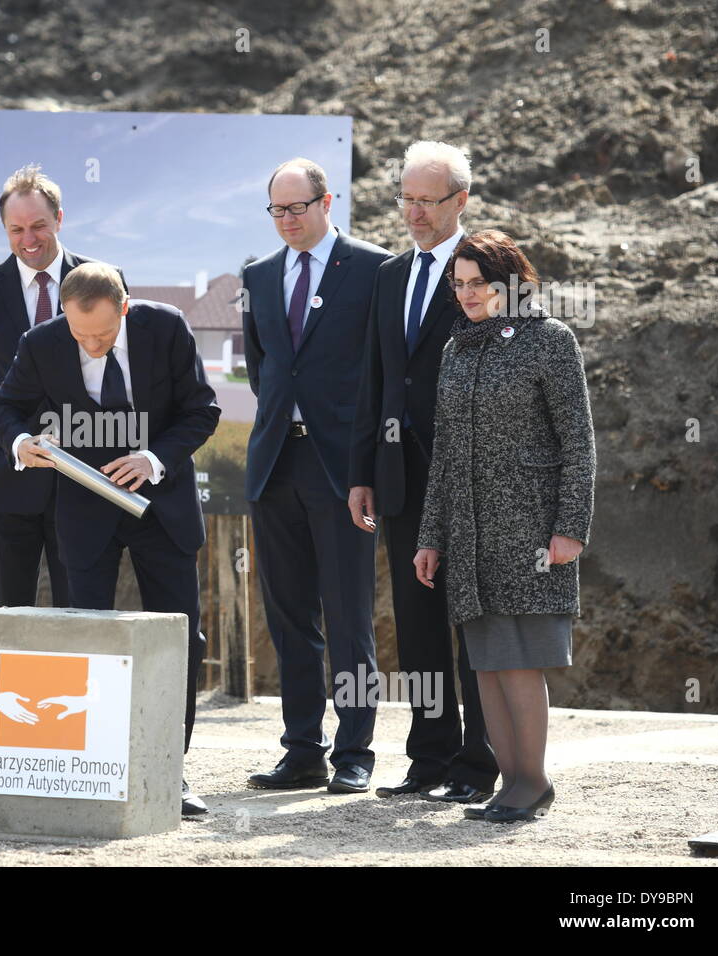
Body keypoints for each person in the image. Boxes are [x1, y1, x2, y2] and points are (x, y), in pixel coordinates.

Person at [0, 263, 221, 816]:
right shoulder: (41, 342)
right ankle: (88, 767)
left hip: (162, 508)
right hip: (86, 512)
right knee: (87, 639)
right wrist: (21, 442)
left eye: (103, 335)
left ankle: (170, 771)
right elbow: (5, 406)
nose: (91, 346)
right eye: (79, 336)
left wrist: (154, 457)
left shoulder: (168, 328)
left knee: (176, 640)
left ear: (125, 307)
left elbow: (202, 409)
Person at [415, 230, 595, 822]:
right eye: (458, 284)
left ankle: (532, 781)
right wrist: (430, 538)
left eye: (478, 284)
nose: (466, 294)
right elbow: (442, 453)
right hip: (468, 535)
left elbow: (579, 443)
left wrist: (570, 527)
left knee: (519, 661)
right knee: (487, 663)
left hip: (531, 534)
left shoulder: (550, 340)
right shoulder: (455, 349)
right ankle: (510, 780)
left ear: (508, 285)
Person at [347, 141, 500, 803]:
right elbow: (374, 381)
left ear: (460, 201)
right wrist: (362, 471)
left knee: (474, 624)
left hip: (470, 481)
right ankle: (429, 758)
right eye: (405, 199)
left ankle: (479, 764)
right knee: (417, 623)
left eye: (427, 201)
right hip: (401, 480)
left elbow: (509, 376)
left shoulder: (488, 273)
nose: (413, 211)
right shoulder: (388, 276)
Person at [242, 159, 390, 794]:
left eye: (297, 208)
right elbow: (265, 368)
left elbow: (383, 370)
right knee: (288, 615)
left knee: (349, 614)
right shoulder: (258, 275)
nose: (287, 221)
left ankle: (354, 752)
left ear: (328, 202)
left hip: (345, 468)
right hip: (277, 462)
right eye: (276, 211)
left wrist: (370, 464)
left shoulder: (376, 267)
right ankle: (302, 749)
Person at [0, 165, 126, 610]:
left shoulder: (105, 280)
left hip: (88, 478)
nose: (28, 238)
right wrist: (15, 440)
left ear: (60, 220)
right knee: (9, 611)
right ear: (5, 229)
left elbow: (122, 373)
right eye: (16, 229)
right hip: (11, 481)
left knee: (84, 612)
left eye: (38, 226)